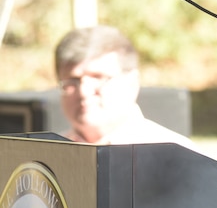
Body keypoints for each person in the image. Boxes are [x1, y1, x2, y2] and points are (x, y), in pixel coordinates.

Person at [54, 24, 195, 148]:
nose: (84, 91)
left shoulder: (175, 155)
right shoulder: (44, 158)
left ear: (132, 82)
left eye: (98, 77)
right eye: (73, 81)